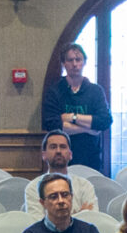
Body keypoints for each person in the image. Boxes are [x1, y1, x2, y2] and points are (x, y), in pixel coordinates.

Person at [40, 43, 111, 172]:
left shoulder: (95, 91)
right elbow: (52, 124)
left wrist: (71, 117)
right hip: (61, 160)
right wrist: (88, 129)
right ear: (64, 64)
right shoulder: (54, 91)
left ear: (84, 62)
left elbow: (104, 121)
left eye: (78, 60)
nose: (74, 64)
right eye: (70, 60)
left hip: (91, 158)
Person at [20, 133, 101, 214]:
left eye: (63, 147)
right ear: (44, 155)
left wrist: (52, 216)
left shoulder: (85, 186)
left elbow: (91, 218)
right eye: (53, 147)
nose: (58, 151)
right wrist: (78, 215)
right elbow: (37, 221)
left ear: (70, 154)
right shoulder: (33, 187)